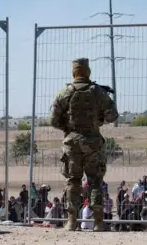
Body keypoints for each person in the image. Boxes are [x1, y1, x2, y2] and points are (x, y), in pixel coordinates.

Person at [50, 58, 118, 232]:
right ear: (88, 72)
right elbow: (113, 115)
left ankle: (71, 222)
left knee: (73, 181)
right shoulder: (98, 92)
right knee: (95, 181)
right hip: (93, 143)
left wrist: (68, 128)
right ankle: (98, 223)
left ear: (74, 73)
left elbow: (53, 120)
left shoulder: (65, 93)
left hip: (71, 143)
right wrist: (99, 119)